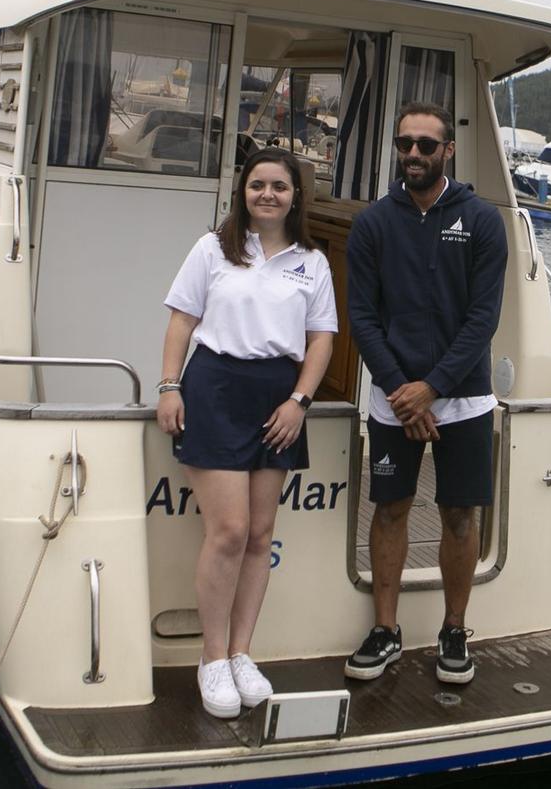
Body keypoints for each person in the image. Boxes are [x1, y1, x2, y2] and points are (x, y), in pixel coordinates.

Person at [157, 148, 337, 718]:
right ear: (242, 191)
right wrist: (168, 385)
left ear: (295, 197)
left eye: (279, 187)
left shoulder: (314, 261)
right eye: (257, 184)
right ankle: (211, 659)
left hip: (278, 399)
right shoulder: (212, 248)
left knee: (262, 533)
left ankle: (241, 653)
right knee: (229, 531)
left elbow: (321, 339)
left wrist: (299, 402)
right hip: (215, 389)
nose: (267, 194)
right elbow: (182, 320)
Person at [343, 102, 507, 686]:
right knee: (390, 509)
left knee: (460, 515)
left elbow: (483, 317)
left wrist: (431, 389)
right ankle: (386, 630)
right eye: (404, 143)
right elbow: (361, 315)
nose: (414, 154)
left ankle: (454, 629)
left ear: (448, 151)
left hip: (462, 398)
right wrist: (399, 390)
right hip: (392, 396)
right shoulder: (373, 224)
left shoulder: (483, 220)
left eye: (426, 145)